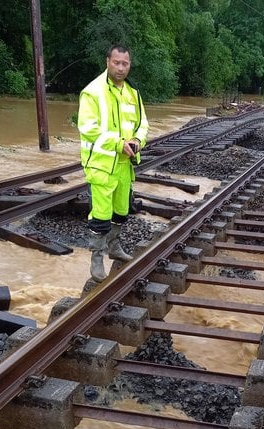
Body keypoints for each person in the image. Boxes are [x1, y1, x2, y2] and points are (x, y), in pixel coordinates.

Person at [77, 44, 148, 282]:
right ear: (107, 61)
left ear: (130, 65)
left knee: (121, 211)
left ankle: (114, 248)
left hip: (124, 165)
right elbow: (88, 128)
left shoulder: (133, 93)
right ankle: (97, 258)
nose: (120, 67)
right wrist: (118, 143)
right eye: (116, 62)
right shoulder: (92, 92)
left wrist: (138, 140)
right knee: (101, 214)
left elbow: (143, 125)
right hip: (100, 165)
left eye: (124, 63)